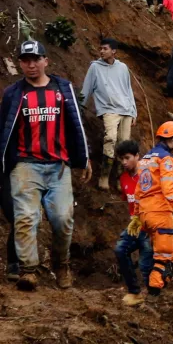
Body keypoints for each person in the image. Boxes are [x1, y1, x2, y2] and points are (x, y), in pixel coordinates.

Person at [0, 41, 91, 291]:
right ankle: (28, 270)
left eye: (36, 59)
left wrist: (83, 159)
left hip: (57, 166)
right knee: (26, 217)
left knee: (62, 218)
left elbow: (76, 124)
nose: (31, 64)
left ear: (45, 61)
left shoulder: (63, 89)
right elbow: (3, 130)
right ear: (20, 63)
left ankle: (61, 265)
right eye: (26, 60)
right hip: (25, 166)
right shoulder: (14, 93)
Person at [130, 122, 173, 301]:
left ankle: (159, 284)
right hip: (161, 214)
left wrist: (137, 215)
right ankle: (153, 294)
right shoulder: (166, 159)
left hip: (147, 214)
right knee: (163, 258)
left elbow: (138, 189)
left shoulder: (145, 159)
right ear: (172, 139)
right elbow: (168, 188)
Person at [81, 38, 137, 191]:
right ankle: (104, 176)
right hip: (108, 109)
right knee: (110, 138)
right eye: (100, 49)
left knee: (124, 144)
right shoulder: (95, 67)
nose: (101, 51)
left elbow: (128, 90)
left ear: (113, 51)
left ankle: (120, 179)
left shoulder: (123, 68)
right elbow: (86, 89)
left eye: (105, 48)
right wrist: (79, 108)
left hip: (126, 110)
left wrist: (133, 111)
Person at [112, 140, 152, 306]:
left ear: (137, 156)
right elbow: (127, 200)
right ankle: (134, 291)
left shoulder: (149, 176)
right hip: (135, 226)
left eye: (127, 158)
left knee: (145, 262)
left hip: (150, 226)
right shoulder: (123, 179)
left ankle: (152, 294)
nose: (124, 162)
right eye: (121, 159)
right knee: (121, 250)